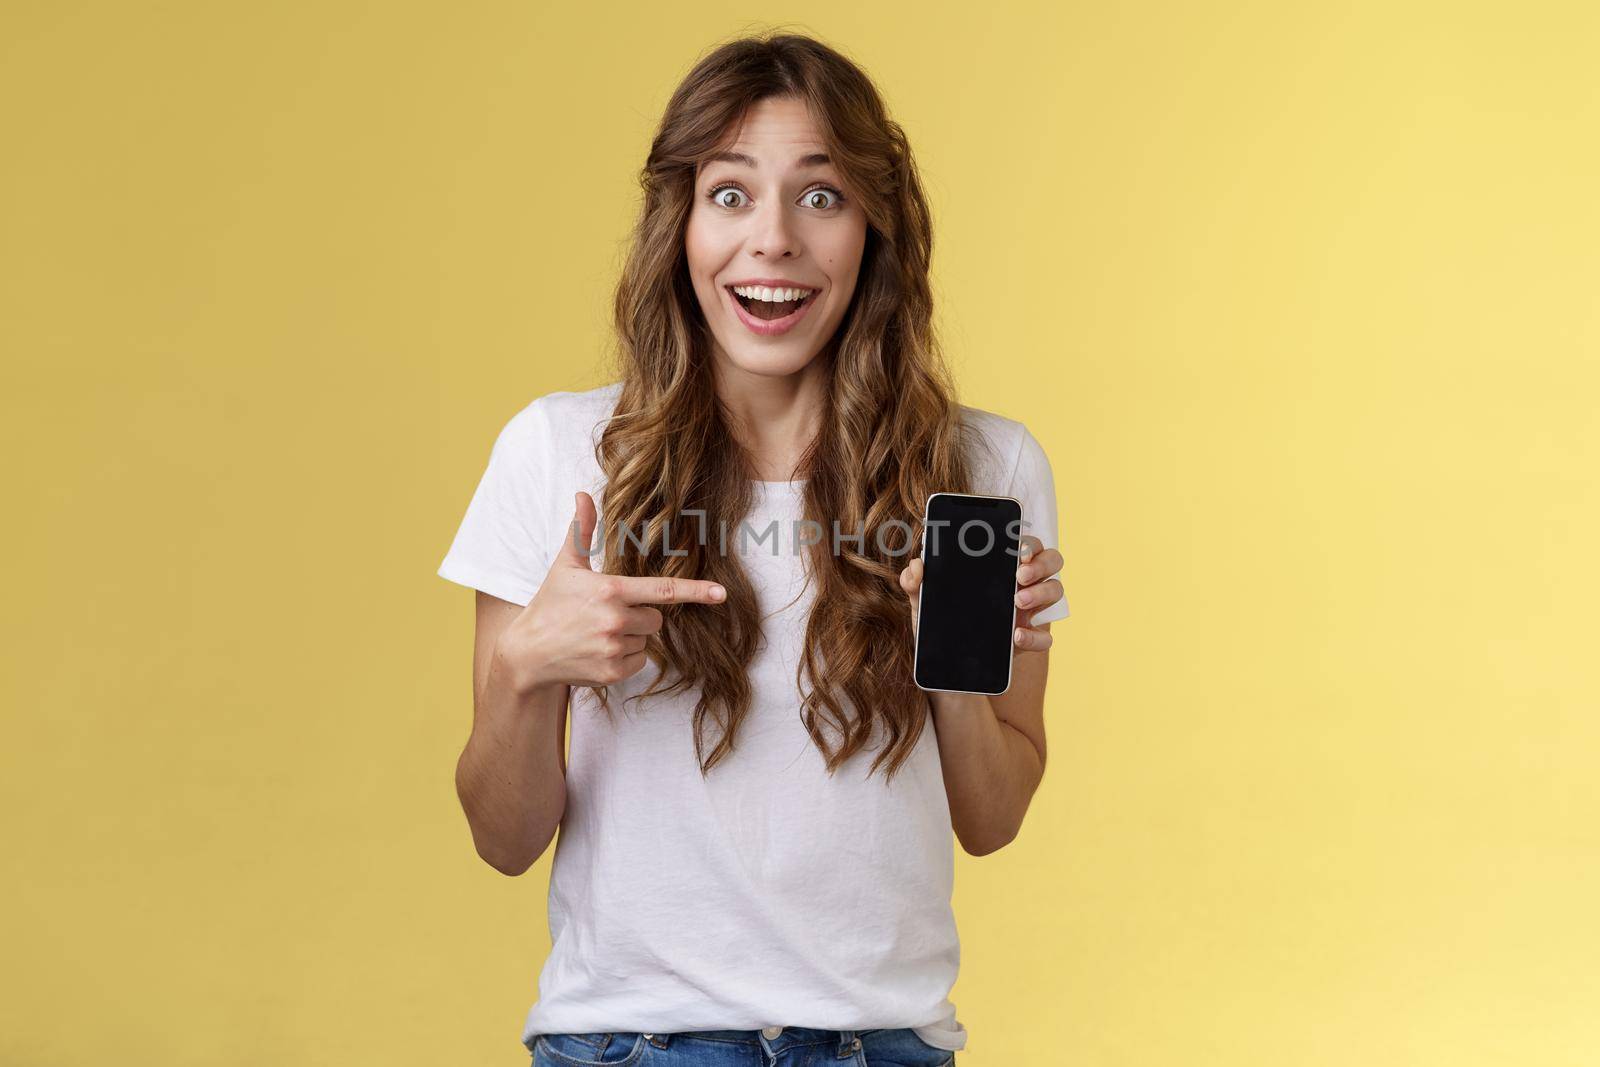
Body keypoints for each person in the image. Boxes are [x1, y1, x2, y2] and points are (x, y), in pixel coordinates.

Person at [438, 32, 1070, 1067]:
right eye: (730, 194)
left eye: (819, 196)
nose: (771, 239)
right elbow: (502, 839)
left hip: (887, 1044)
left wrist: (950, 661)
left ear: (874, 225)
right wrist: (524, 666)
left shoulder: (978, 468)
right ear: (679, 225)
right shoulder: (560, 453)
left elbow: (990, 818)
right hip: (631, 1042)